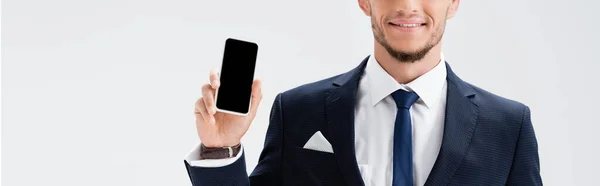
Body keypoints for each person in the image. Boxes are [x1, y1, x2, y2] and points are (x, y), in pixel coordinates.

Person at [184, 0, 542, 185]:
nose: (407, 5)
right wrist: (220, 150)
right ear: (364, 0)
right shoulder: (297, 112)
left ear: (455, 1)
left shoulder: (508, 128)